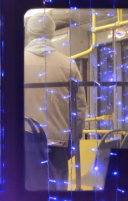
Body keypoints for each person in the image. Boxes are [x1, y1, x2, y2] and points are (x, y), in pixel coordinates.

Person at [23, 11, 86, 189]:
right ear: (52, 32)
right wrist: (72, 140)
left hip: (26, 144)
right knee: (57, 199)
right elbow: (79, 109)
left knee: (27, 196)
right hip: (58, 145)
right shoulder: (69, 65)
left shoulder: (15, 62)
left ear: (29, 32)